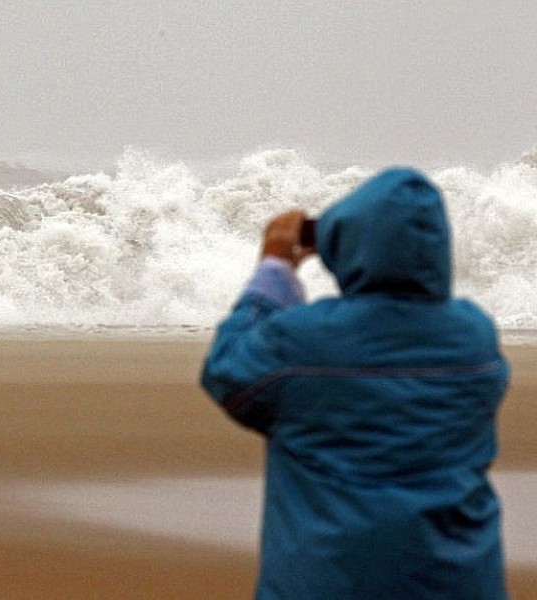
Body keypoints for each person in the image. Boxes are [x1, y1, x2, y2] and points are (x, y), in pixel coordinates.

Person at [200, 167, 510, 599]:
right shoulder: (474, 338)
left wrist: (275, 269)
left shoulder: (302, 340)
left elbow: (226, 371)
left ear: (346, 245)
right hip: (458, 584)